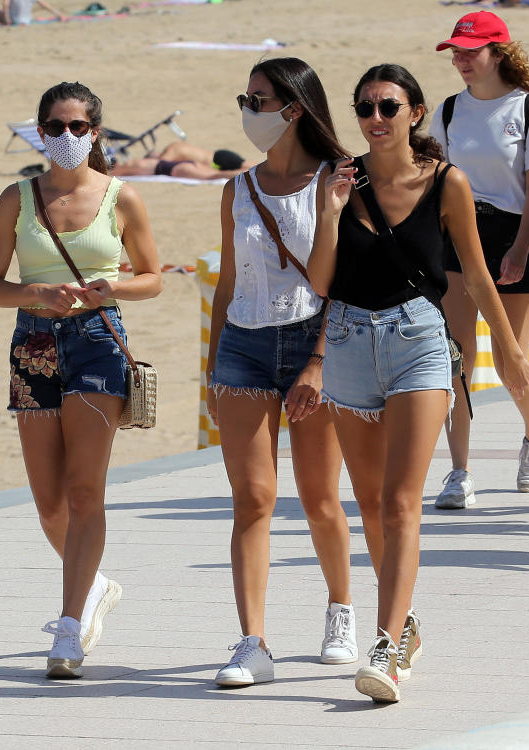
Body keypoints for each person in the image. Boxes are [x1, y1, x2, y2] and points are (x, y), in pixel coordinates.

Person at [308, 63, 529, 702]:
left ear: (415, 113)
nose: (375, 119)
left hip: (419, 343)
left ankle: (384, 646)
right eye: (365, 109)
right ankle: (403, 624)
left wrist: (509, 352)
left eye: (388, 107)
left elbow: (478, 274)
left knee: (403, 501)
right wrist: (329, 212)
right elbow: (320, 282)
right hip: (350, 342)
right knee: (375, 506)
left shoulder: (446, 183)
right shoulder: (340, 182)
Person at [0, 81, 163, 678]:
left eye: (77, 127)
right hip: (32, 341)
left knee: (85, 491)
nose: (64, 138)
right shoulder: (18, 198)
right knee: (49, 502)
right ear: (40, 132)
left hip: (97, 341)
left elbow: (154, 276)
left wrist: (112, 287)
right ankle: (96, 583)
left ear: (96, 133)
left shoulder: (120, 197)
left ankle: (69, 622)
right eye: (53, 127)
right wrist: (36, 293)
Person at [205, 58, 358, 687]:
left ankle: (341, 609)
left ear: (293, 108)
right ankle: (252, 642)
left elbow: (342, 285)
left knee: (320, 498)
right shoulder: (236, 188)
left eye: (257, 99)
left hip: (312, 343)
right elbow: (229, 281)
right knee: (253, 499)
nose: (248, 108)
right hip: (242, 343)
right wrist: (213, 368)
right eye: (246, 96)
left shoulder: (339, 182)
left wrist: (319, 362)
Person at [429, 11, 529, 510]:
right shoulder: (447, 110)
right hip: (459, 233)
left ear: (498, 52)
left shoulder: (528, 109)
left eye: (471, 51)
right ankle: (459, 470)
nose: (462, 60)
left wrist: (521, 249)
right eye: (456, 52)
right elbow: (436, 177)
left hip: (514, 231)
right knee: (457, 358)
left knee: (511, 359)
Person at [110, 141, 245, 181]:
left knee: (216, 175)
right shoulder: (137, 162)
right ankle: (249, 173)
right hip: (185, 165)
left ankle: (246, 175)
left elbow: (112, 174)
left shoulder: (127, 166)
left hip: (178, 169)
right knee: (216, 175)